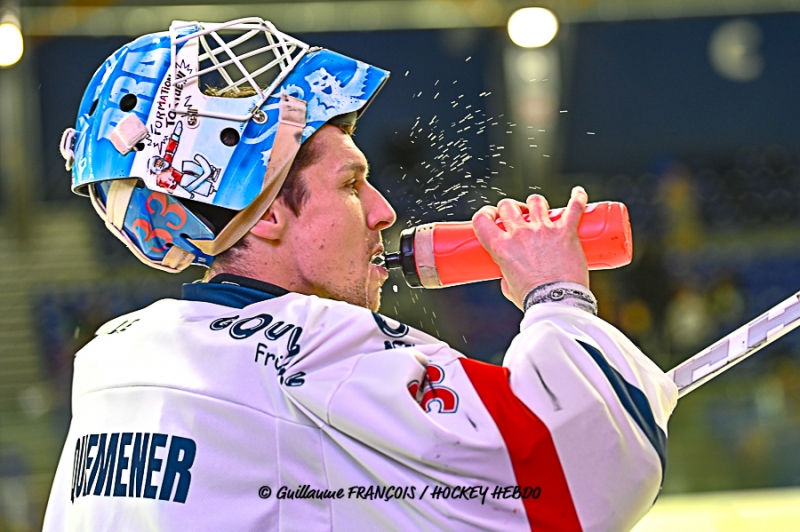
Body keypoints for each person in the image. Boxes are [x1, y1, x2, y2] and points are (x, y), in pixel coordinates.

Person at [46, 18, 677, 531]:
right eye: (351, 183)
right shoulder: (317, 353)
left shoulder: (114, 363)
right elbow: (584, 472)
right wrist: (555, 294)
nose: (383, 211)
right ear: (264, 213)